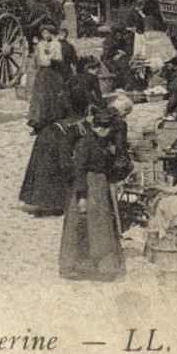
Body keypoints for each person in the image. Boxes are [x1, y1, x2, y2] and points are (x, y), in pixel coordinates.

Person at [58, 106, 125, 281]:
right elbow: (79, 170)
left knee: (101, 226)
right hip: (88, 187)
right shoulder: (85, 143)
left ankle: (103, 266)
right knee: (85, 226)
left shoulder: (103, 142)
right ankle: (77, 265)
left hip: (101, 187)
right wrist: (81, 196)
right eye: (108, 129)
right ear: (100, 127)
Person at [28, 24, 68, 132]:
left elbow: (59, 57)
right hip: (43, 73)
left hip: (54, 72)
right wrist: (50, 58)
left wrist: (51, 58)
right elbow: (41, 60)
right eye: (43, 33)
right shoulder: (40, 45)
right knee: (40, 98)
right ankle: (38, 123)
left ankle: (54, 122)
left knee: (54, 96)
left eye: (48, 33)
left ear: (52, 33)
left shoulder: (56, 44)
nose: (45, 35)